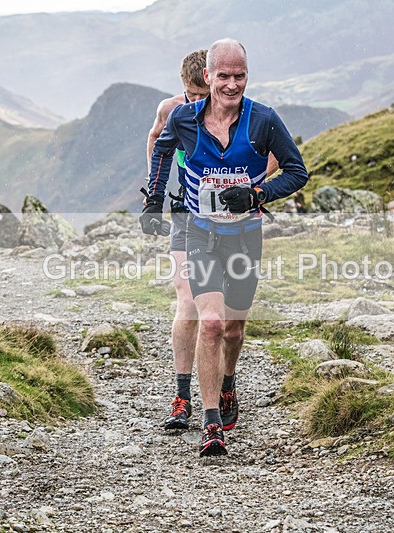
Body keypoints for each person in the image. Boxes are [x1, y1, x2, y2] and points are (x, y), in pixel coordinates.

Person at [142, 38, 309, 456]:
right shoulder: (184, 117)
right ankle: (211, 422)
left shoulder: (263, 120)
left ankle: (228, 381)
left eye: (239, 77)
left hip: (244, 236)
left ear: (246, 76)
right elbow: (162, 151)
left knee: (234, 327)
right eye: (224, 76)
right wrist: (153, 200)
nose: (232, 85)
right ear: (208, 77)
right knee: (211, 322)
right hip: (199, 233)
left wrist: (257, 195)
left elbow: (297, 171)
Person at [145, 49, 210, 431]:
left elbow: (270, 151)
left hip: (225, 220)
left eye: (206, 96)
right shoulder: (171, 109)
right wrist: (152, 196)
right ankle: (182, 397)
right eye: (192, 95)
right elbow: (156, 141)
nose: (199, 104)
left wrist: (255, 189)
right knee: (187, 300)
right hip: (184, 213)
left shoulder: (235, 110)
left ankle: (221, 390)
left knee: (221, 315)